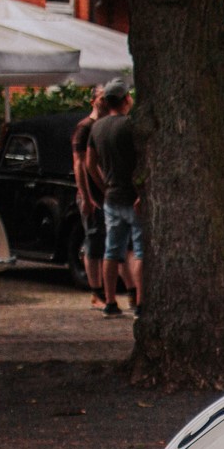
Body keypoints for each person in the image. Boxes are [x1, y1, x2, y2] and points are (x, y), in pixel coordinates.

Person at [85, 80, 143, 318]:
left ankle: (110, 301)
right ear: (126, 99)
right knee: (140, 252)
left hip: (111, 197)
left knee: (112, 250)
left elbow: (90, 163)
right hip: (134, 198)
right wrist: (142, 191)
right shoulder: (131, 126)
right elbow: (144, 161)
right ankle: (141, 302)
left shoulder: (96, 128)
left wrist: (103, 184)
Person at [71, 85, 109, 307]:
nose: (105, 101)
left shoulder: (102, 126)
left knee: (104, 242)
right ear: (94, 100)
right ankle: (96, 292)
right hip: (93, 194)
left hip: (104, 194)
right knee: (94, 241)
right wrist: (86, 196)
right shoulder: (85, 128)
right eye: (102, 97)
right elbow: (79, 163)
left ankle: (102, 290)